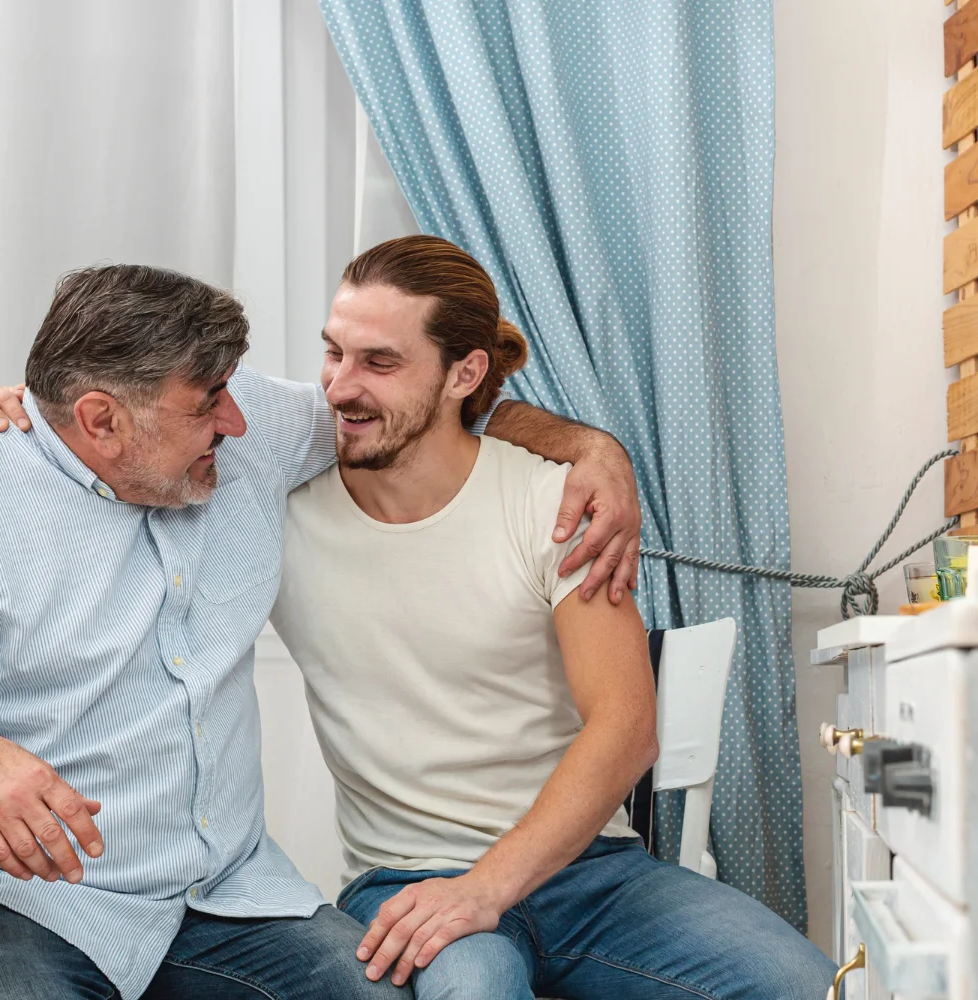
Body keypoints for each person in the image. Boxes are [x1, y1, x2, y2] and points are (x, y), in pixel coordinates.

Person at [0, 263, 642, 1000]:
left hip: (227, 898)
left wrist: (594, 451)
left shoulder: (245, 433)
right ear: (100, 419)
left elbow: (420, 415)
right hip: (23, 903)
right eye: (207, 402)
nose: (240, 420)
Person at [270, 236, 839, 999]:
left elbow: (626, 726)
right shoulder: (275, 520)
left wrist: (490, 887)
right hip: (407, 876)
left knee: (807, 985)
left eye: (379, 362)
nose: (339, 387)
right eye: (333, 353)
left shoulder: (555, 502)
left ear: (463, 373)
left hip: (590, 873)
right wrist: (46, 431)